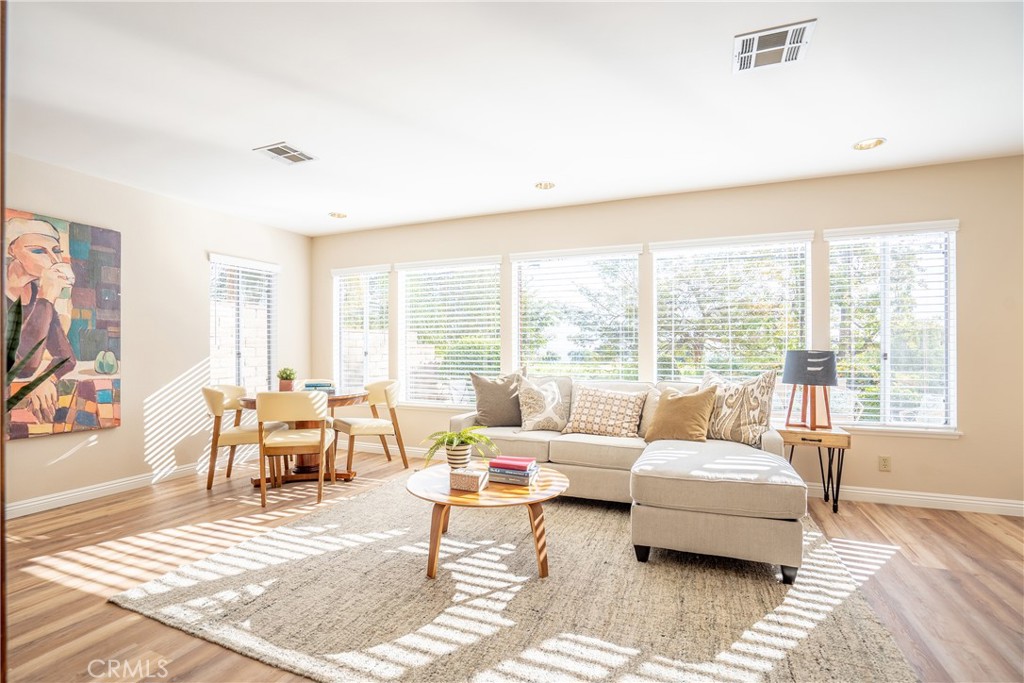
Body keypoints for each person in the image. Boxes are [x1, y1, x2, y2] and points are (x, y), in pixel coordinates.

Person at [5, 216, 77, 422]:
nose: (54, 261)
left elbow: (66, 358)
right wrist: (47, 297)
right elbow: (22, 367)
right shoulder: (43, 296)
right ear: (12, 251)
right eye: (38, 251)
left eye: (56, 251)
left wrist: (46, 379)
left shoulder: (38, 295)